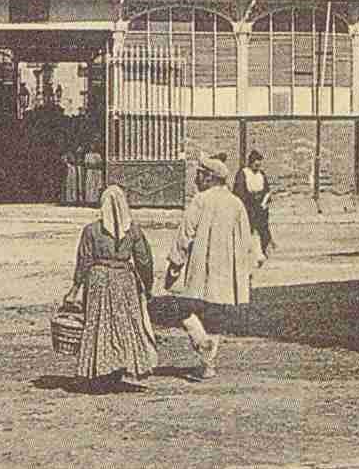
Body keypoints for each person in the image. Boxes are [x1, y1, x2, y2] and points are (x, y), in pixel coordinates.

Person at [164, 156, 252, 380]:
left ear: (209, 177)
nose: (196, 179)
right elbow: (245, 241)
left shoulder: (200, 200)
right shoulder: (236, 203)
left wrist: (175, 263)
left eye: (199, 174)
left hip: (201, 270)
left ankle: (201, 342)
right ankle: (208, 365)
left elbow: (185, 235)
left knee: (183, 310)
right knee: (216, 319)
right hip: (226, 273)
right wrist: (243, 273)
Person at [68, 185, 158, 389]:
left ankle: (100, 368)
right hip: (124, 280)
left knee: (99, 324)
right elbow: (144, 260)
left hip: (98, 281)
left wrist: (74, 289)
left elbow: (84, 261)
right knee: (124, 324)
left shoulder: (91, 230)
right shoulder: (133, 230)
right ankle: (121, 365)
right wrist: (148, 285)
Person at [235, 151, 274, 260]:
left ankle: (263, 250)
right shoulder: (243, 173)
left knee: (263, 229)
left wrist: (264, 201)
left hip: (260, 207)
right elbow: (240, 192)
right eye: (255, 165)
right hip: (248, 206)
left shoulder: (261, 175)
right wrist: (248, 204)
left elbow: (267, 190)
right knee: (248, 230)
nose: (257, 167)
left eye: (259, 165)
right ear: (251, 163)